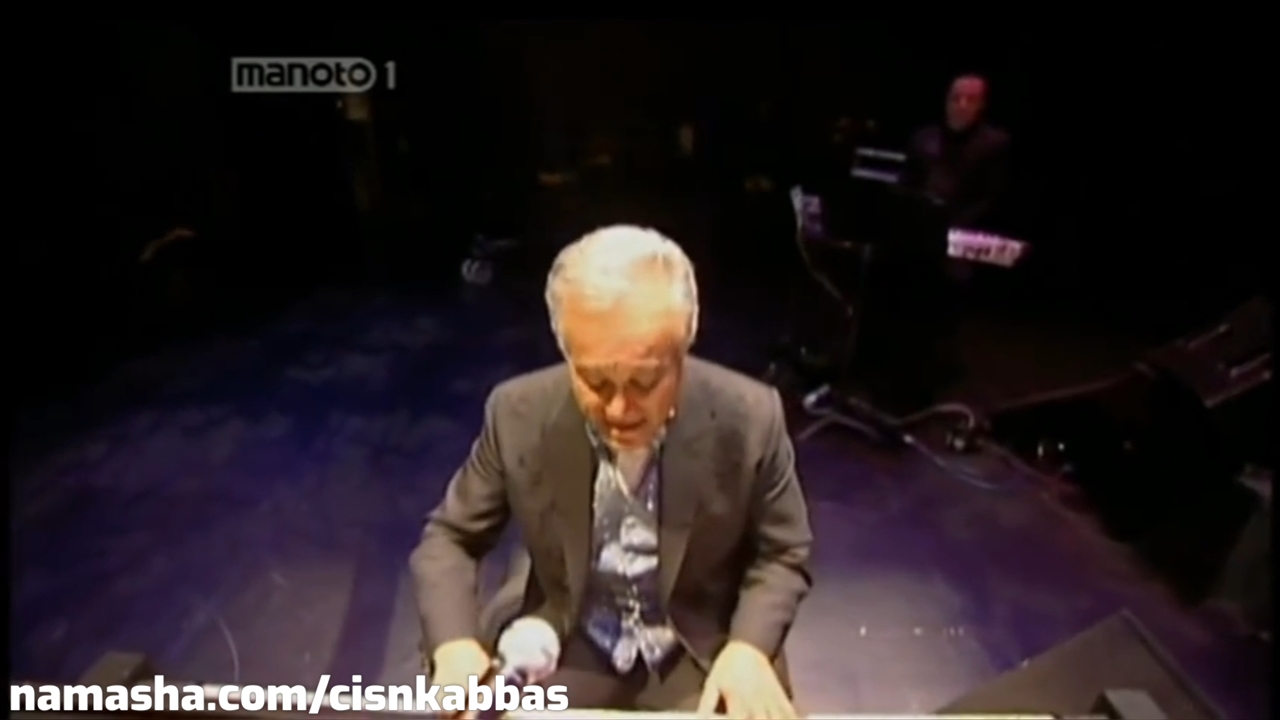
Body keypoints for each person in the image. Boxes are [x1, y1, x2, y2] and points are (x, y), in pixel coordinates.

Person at [410, 225, 813, 716]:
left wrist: (748, 651)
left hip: (701, 650)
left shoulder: (748, 416)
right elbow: (450, 537)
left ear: (681, 354)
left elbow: (784, 551)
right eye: (595, 381)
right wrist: (453, 645)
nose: (620, 408)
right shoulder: (518, 412)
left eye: (645, 382)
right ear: (567, 353)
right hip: (567, 642)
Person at [902, 74, 1010, 231]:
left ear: (981, 105)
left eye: (970, 100)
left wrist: (952, 226)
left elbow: (990, 199)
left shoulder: (995, 144)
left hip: (968, 230)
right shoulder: (923, 139)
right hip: (920, 226)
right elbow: (906, 187)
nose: (961, 105)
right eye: (956, 98)